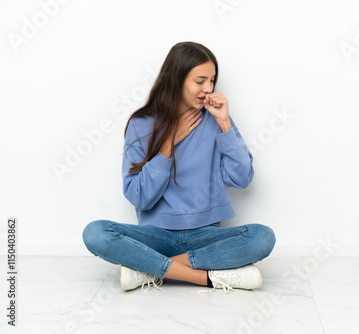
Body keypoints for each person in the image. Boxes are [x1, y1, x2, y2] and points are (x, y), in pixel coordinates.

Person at [82, 41, 276, 293]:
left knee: (262, 237)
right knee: (95, 233)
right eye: (200, 81)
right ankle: (207, 278)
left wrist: (225, 123)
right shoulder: (141, 125)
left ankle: (148, 269)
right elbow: (138, 196)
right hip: (155, 237)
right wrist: (169, 143)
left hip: (206, 239)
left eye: (212, 80)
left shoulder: (216, 120)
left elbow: (241, 179)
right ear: (176, 80)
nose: (208, 89)